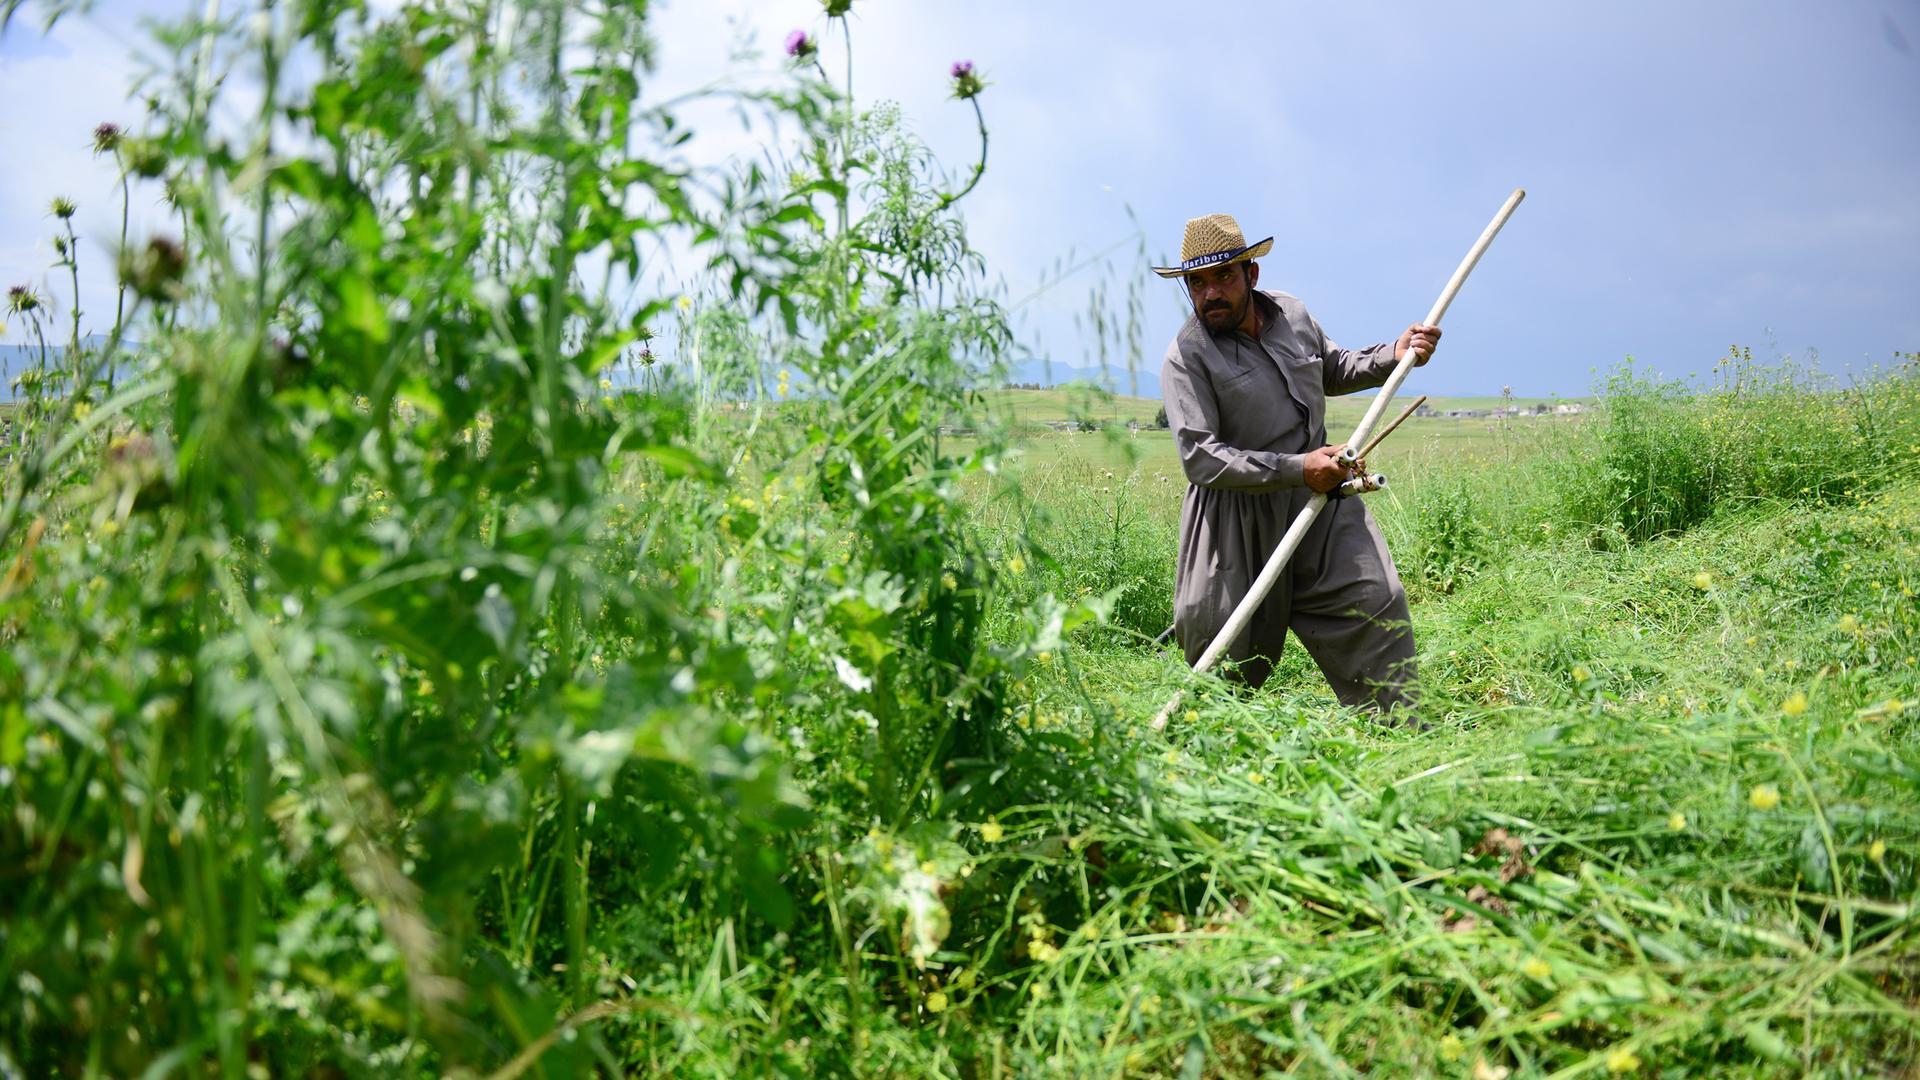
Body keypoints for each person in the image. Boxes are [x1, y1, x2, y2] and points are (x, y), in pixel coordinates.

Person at [1155, 213, 1440, 716]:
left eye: (1223, 276)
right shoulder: (1187, 356)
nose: (1210, 293)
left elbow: (1331, 367)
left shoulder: (1293, 316)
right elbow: (1200, 457)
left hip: (1321, 503)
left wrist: (1392, 355)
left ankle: (1399, 736)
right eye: (1196, 283)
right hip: (1232, 520)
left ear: (1251, 275)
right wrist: (1296, 467)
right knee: (1219, 650)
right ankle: (1202, 766)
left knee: (1375, 600)